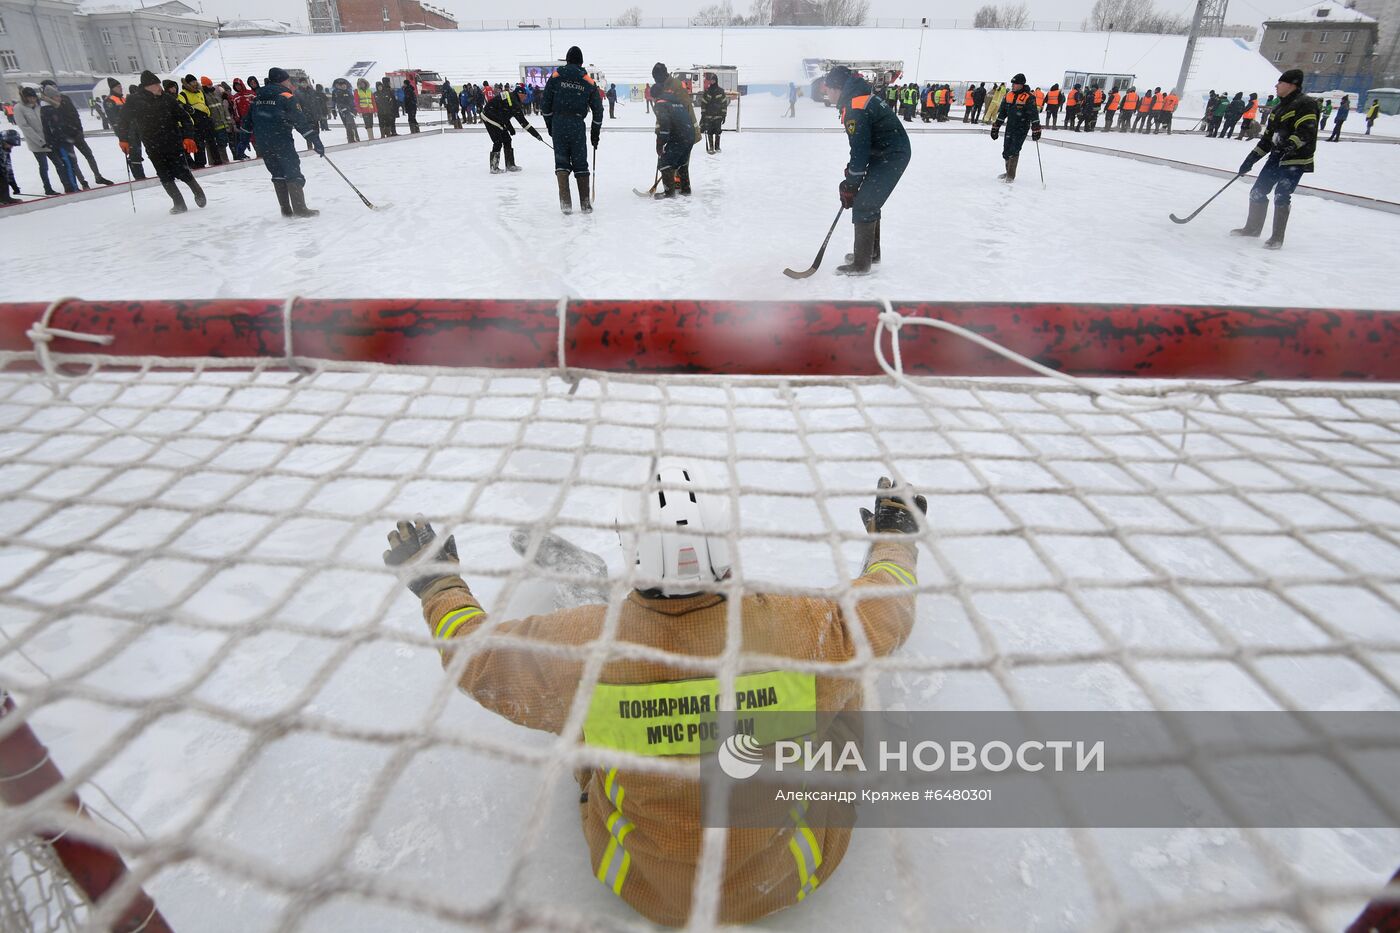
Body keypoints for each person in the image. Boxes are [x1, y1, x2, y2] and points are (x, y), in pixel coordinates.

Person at [380, 467, 925, 928]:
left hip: (645, 888)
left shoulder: (588, 645)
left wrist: (438, 585)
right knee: (842, 690)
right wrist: (894, 538)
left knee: (586, 722)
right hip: (784, 877)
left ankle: (595, 622)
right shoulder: (805, 630)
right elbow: (886, 607)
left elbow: (479, 659)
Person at [820, 65, 909, 275]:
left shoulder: (855, 108)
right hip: (885, 153)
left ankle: (861, 264)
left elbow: (859, 151)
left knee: (865, 203)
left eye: (827, 89)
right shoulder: (856, 100)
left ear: (837, 88)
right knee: (869, 199)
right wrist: (852, 176)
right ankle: (871, 253)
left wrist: (851, 183)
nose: (826, 93)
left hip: (892, 155)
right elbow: (862, 148)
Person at [1234, 68, 1318, 250]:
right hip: (1276, 158)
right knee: (1257, 191)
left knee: (1281, 195)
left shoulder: (1306, 104)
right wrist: (1250, 160)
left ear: (1291, 85)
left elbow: (1306, 131)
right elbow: (1267, 140)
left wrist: (1289, 145)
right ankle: (1252, 228)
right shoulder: (1278, 108)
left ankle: (1277, 238)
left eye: (1280, 83)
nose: (1276, 86)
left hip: (1295, 160)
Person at [118, 71, 205, 213]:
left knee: (182, 170)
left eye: (159, 84)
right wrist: (123, 139)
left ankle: (198, 192)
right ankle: (179, 203)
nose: (160, 87)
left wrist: (188, 136)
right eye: (156, 84)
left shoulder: (167, 99)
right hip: (152, 144)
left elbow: (185, 118)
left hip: (173, 142)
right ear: (148, 86)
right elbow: (123, 121)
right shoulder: (134, 100)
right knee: (164, 175)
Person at [246, 66, 324, 219]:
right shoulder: (286, 96)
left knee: (277, 173)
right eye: (288, 80)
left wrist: (242, 141)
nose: (289, 83)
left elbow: (247, 121)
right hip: (281, 139)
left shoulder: (258, 97)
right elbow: (300, 121)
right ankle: (300, 209)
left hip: (263, 142)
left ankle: (286, 209)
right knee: (292, 171)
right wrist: (315, 140)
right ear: (282, 80)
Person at [541, 46, 603, 214]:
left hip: (559, 123)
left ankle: (566, 206)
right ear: (581, 62)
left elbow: (545, 105)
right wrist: (595, 132)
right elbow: (598, 109)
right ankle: (585, 204)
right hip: (577, 125)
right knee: (580, 163)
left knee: (562, 164)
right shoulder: (587, 81)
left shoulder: (555, 77)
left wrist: (550, 125)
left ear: (567, 60)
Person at [650, 61, 698, 200]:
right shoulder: (670, 98)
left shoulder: (670, 93)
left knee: (665, 162)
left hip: (681, 132)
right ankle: (685, 188)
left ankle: (669, 192)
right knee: (681, 162)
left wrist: (660, 142)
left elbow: (665, 124)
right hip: (685, 132)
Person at [991, 72, 1042, 184]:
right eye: (1012, 83)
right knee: (1006, 151)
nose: (1013, 85)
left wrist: (1036, 128)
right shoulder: (1008, 95)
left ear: (1021, 85)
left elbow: (1034, 115)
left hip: (1021, 127)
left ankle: (1010, 175)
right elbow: (1002, 114)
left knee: (1014, 150)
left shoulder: (1029, 97)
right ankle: (1007, 171)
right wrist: (996, 126)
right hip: (1010, 126)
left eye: (1015, 84)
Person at [13, 88, 63, 195]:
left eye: (34, 97)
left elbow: (56, 106)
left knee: (59, 163)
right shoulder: (19, 108)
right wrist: (39, 141)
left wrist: (45, 98)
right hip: (36, 143)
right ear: (24, 98)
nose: (32, 100)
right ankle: (47, 188)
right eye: (30, 98)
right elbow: (25, 127)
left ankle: (66, 184)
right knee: (44, 166)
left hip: (48, 140)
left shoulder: (38, 106)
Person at [482, 82, 531, 174]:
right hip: (489, 117)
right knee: (498, 141)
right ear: (520, 94)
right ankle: (494, 167)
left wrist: (510, 127)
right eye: (525, 95)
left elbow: (504, 114)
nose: (525, 97)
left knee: (507, 139)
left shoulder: (513, 99)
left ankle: (510, 165)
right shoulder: (514, 101)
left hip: (498, 117)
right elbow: (523, 122)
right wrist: (536, 135)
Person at [177, 75, 212, 167]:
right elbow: (182, 106)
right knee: (198, 143)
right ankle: (199, 163)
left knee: (206, 142)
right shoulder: (183, 94)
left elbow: (205, 104)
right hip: (194, 121)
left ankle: (203, 162)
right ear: (187, 83)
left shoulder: (200, 92)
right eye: (192, 81)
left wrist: (208, 115)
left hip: (204, 120)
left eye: (195, 81)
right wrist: (190, 110)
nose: (195, 83)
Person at [700, 73, 728, 154]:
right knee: (709, 132)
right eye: (711, 80)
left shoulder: (721, 91)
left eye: (713, 80)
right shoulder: (707, 91)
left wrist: (724, 115)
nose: (712, 81)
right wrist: (703, 115)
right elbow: (703, 103)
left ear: (716, 81)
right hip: (708, 116)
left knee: (718, 132)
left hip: (718, 116)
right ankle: (711, 147)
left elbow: (724, 104)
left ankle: (717, 147)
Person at [231, 78, 256, 159]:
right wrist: (238, 119)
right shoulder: (235, 97)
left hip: (255, 119)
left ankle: (260, 152)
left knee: (256, 137)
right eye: (236, 86)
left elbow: (257, 105)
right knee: (245, 139)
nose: (238, 87)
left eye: (239, 85)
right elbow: (235, 110)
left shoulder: (251, 93)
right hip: (244, 121)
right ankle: (240, 155)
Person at [332, 78, 360, 143]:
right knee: (348, 125)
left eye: (345, 85)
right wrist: (334, 109)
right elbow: (338, 102)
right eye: (342, 85)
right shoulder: (338, 93)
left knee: (351, 124)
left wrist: (355, 109)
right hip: (344, 111)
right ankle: (351, 139)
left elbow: (353, 101)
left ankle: (355, 138)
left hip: (350, 110)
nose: (344, 86)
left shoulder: (349, 92)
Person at [1, 128, 21, 206]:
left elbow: (8, 169)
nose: (11, 147)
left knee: (4, 175)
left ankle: (5, 198)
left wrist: (14, 185)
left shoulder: (5, 150)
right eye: (10, 144)